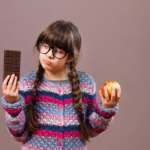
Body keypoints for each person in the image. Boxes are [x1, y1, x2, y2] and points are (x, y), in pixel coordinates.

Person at [1, 20, 120, 150]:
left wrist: (105, 110)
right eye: (45, 46)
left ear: (70, 57)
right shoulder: (28, 82)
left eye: (57, 51)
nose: (49, 55)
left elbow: (91, 131)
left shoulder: (86, 83)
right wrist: (12, 103)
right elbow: (19, 135)